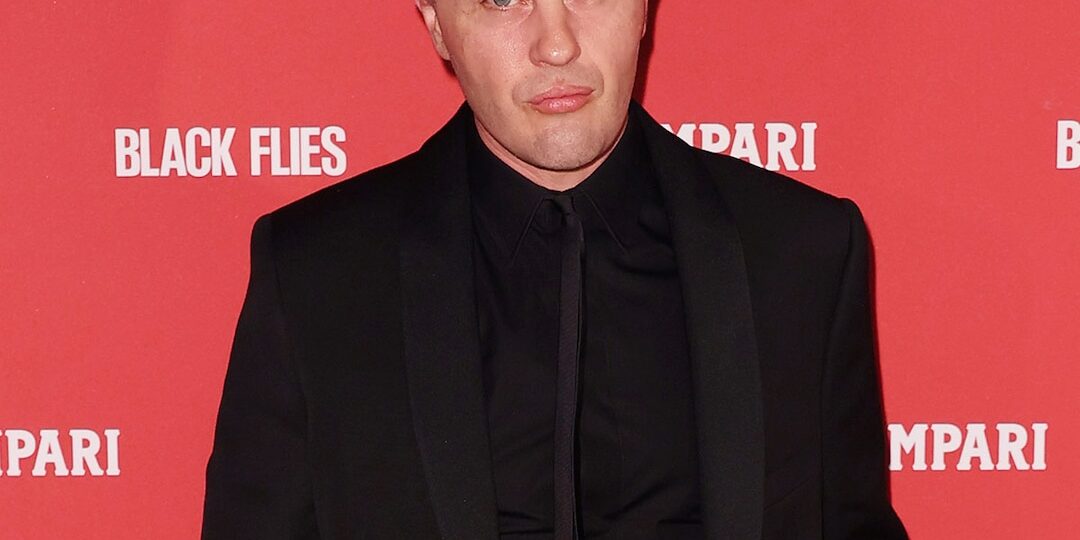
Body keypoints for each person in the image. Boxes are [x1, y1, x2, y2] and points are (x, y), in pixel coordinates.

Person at [201, 1, 908, 538]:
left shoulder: (800, 252)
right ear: (436, 24)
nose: (557, 43)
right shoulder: (318, 272)